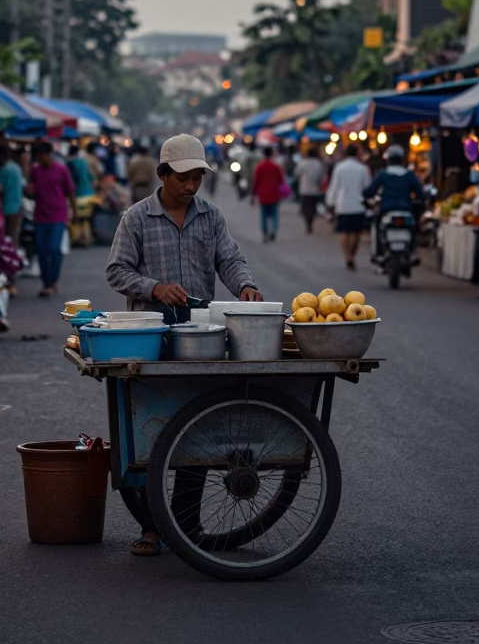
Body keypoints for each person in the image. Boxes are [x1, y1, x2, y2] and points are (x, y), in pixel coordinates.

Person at [106, 133, 264, 558]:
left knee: (196, 431)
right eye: (183, 178)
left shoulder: (210, 217)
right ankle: (151, 527)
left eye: (196, 178)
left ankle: (185, 522)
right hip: (149, 335)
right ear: (163, 175)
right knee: (152, 434)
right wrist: (154, 287)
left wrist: (245, 286)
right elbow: (117, 271)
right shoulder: (136, 218)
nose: (191, 186)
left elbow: (229, 260)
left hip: (199, 337)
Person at [26, 140, 77, 297]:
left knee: (54, 249)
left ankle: (53, 281)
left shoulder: (61, 170)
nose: (40, 160)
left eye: (42, 156)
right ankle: (46, 282)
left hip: (58, 216)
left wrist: (74, 212)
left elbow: (70, 192)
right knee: (41, 250)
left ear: (49, 154)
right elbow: (30, 192)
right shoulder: (35, 171)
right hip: (40, 216)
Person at [326, 145, 372, 270]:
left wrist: (331, 203)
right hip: (358, 205)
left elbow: (334, 186)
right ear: (357, 153)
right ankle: (352, 254)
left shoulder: (339, 168)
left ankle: (348, 256)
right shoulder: (363, 169)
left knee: (344, 232)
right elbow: (367, 188)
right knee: (356, 233)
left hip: (343, 205)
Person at [251, 145, 287, 242]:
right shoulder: (276, 167)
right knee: (274, 215)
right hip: (275, 195)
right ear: (271, 154)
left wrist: (253, 195)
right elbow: (281, 181)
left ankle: (265, 234)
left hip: (263, 195)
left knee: (264, 216)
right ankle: (273, 231)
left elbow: (256, 182)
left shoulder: (259, 167)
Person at [0, 144, 24, 245]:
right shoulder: (16, 167)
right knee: (13, 236)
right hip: (18, 206)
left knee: (7, 237)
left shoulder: (4, 170)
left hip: (7, 208)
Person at [295, 147, 326, 234]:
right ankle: (310, 224)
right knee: (312, 208)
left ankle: (307, 224)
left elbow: (297, 174)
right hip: (314, 190)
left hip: (304, 189)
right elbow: (322, 177)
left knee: (305, 208)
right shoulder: (318, 164)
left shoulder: (302, 163)